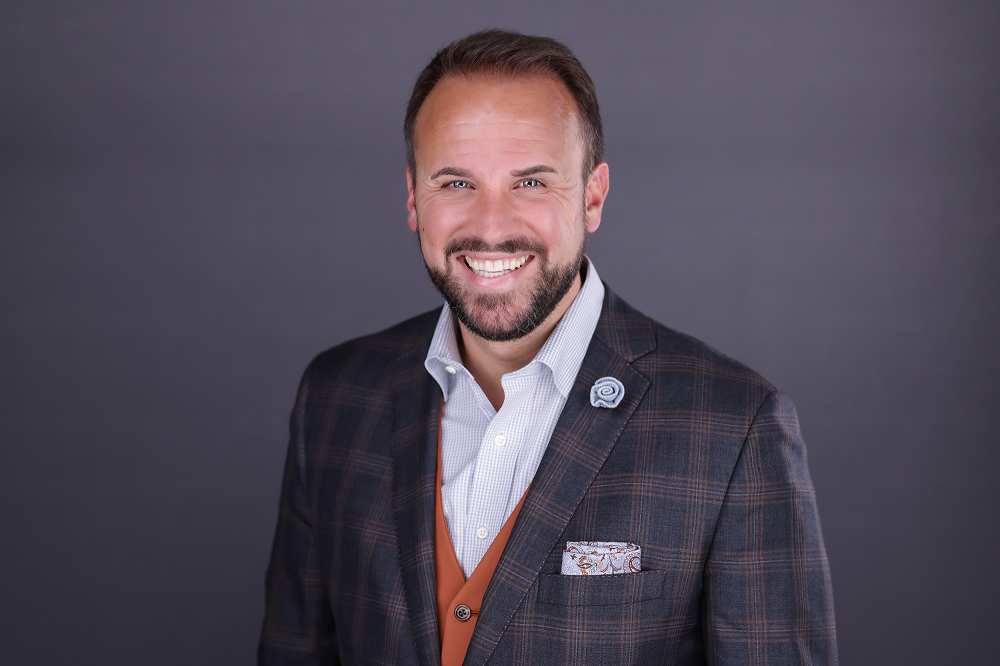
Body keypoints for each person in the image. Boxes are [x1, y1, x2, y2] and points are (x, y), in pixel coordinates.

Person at [258, 29, 836, 666]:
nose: (491, 226)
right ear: (414, 198)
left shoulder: (734, 427)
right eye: (456, 183)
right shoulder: (335, 397)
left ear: (592, 195)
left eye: (531, 182)